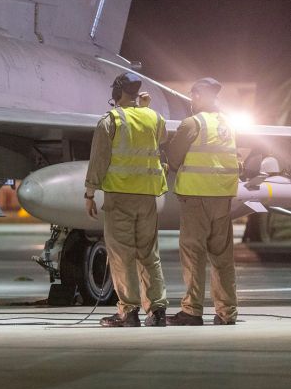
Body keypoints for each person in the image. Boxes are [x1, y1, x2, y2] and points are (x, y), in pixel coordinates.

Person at [84, 72, 170, 327]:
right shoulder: (154, 117)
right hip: (147, 197)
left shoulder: (110, 121)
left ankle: (128, 312)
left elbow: (98, 160)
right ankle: (157, 311)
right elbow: (161, 137)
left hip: (120, 197)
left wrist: (89, 193)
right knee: (148, 254)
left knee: (122, 255)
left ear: (116, 93)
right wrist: (144, 108)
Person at [165, 77, 239, 326]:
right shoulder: (229, 124)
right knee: (222, 258)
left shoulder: (192, 123)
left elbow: (173, 158)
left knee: (193, 255)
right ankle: (226, 312)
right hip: (223, 200)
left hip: (196, 199)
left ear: (197, 96)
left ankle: (192, 311)